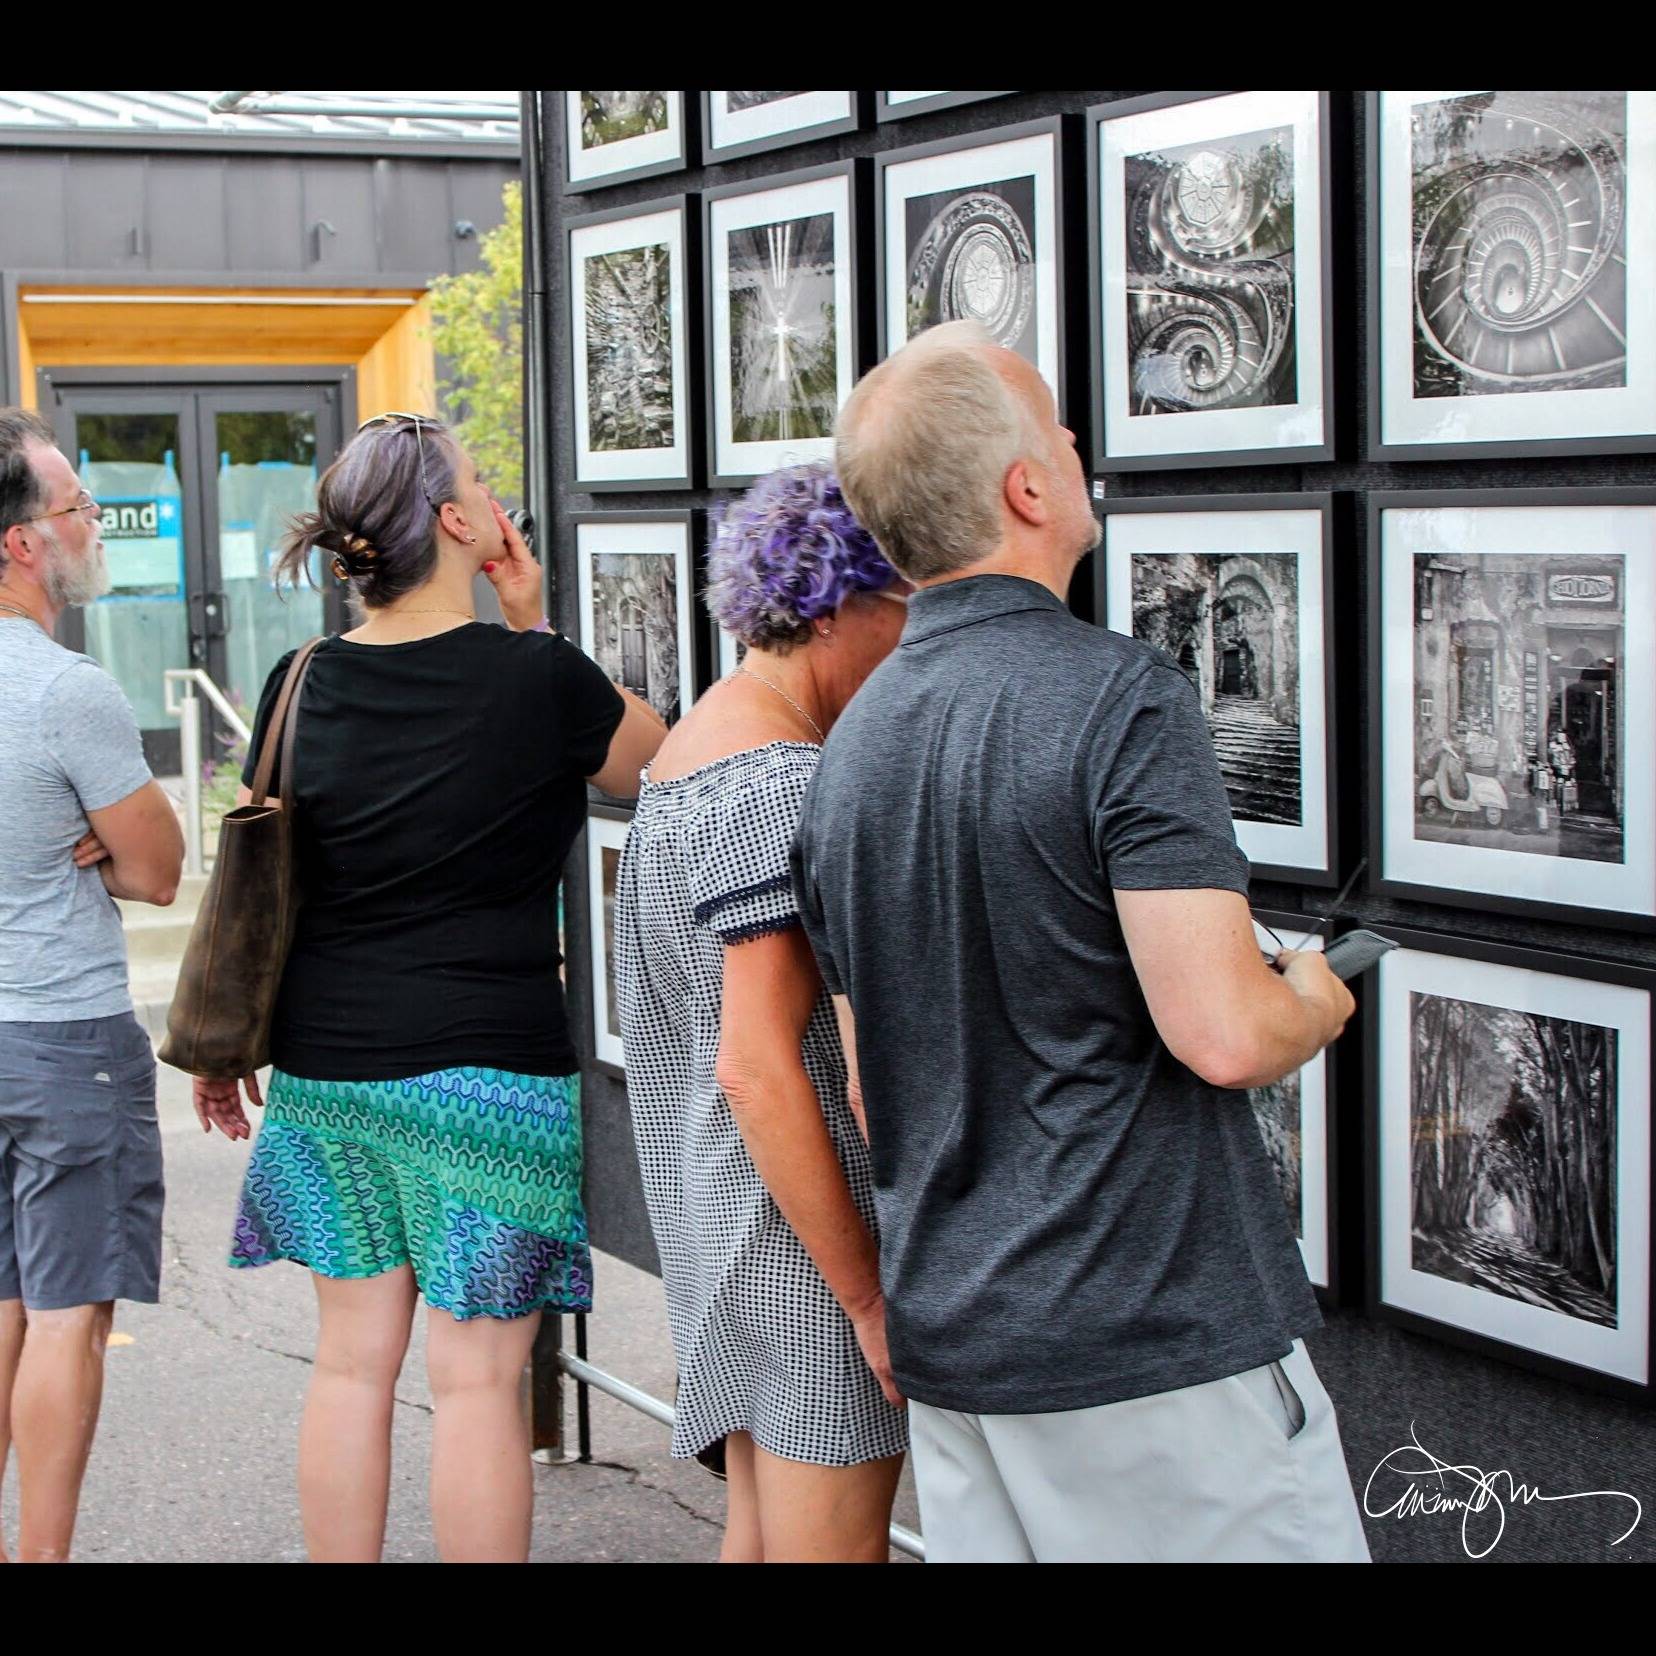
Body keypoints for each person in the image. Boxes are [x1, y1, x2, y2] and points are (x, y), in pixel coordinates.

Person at [791, 322, 1368, 1564]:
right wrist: (1312, 998)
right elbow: (1224, 1033)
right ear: (1026, 487)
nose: (1075, 443)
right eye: (1058, 425)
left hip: (962, 1345)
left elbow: (868, 1084)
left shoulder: (847, 756)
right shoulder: (1122, 697)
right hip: (1146, 1337)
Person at [193, 413, 665, 1563]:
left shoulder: (298, 679)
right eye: (480, 481)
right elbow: (659, 757)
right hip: (487, 1077)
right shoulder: (539, 677)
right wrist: (533, 618)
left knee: (352, 1367)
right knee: (474, 1388)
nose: (495, 493)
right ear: (459, 523)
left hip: (331, 1069)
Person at [613, 462, 911, 1563]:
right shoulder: (777, 782)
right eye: (902, 610)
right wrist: (870, 1300)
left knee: (758, 1533)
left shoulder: (695, 748)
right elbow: (759, 1065)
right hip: (798, 1234)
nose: (908, 641)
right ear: (838, 607)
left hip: (722, 1214)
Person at [0, 408, 184, 1563]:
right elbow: (161, 868)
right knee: (69, 1310)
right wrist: (101, 842)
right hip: (65, 1034)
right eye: (73, 508)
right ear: (22, 543)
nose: (89, 527)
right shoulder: (69, 692)